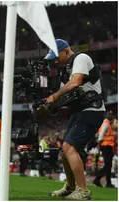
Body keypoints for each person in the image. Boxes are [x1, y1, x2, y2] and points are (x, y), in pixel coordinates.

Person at [44, 39, 105, 200]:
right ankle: (70, 187)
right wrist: (50, 105)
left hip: (92, 110)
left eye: (56, 57)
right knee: (64, 152)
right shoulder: (66, 70)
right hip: (80, 111)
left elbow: (75, 83)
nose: (54, 61)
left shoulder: (80, 58)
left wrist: (54, 96)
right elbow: (67, 95)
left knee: (69, 148)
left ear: (66, 51)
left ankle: (83, 191)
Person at [93, 111, 117, 188]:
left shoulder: (107, 123)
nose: (111, 116)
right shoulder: (106, 124)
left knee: (108, 165)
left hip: (108, 146)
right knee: (108, 165)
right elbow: (101, 135)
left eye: (112, 114)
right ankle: (107, 182)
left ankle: (98, 179)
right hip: (106, 146)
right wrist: (99, 145)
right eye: (110, 114)